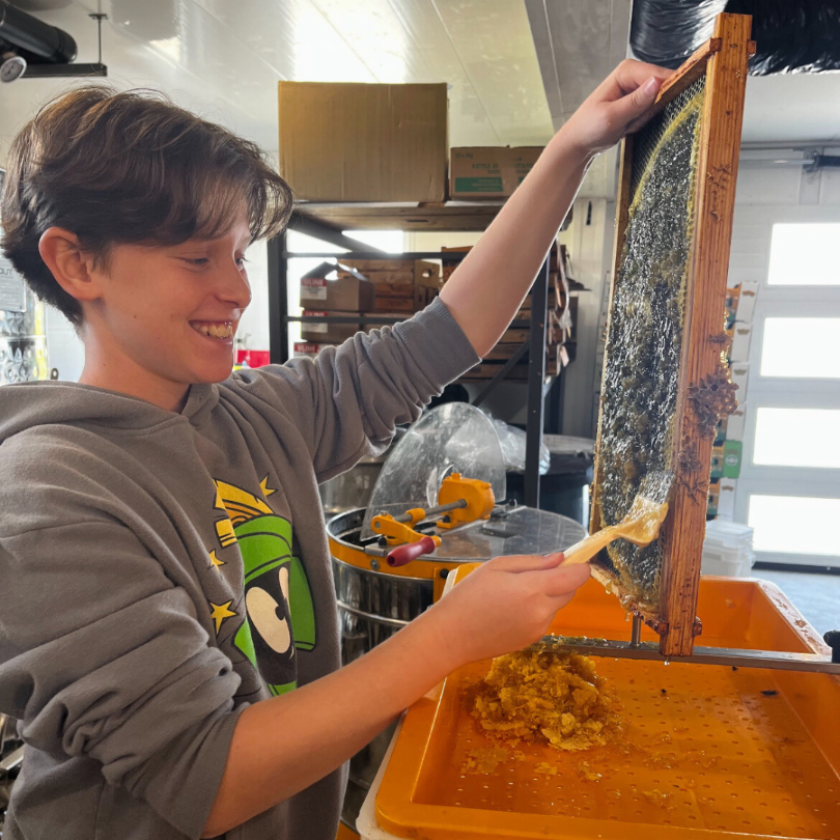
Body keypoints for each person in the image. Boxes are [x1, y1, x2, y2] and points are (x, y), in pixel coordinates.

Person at [0, 59, 670, 840]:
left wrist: (568, 154)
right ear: (77, 263)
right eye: (197, 259)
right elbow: (208, 775)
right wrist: (450, 634)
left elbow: (443, 338)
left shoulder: (256, 414)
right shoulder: (45, 499)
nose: (238, 291)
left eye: (239, 254)